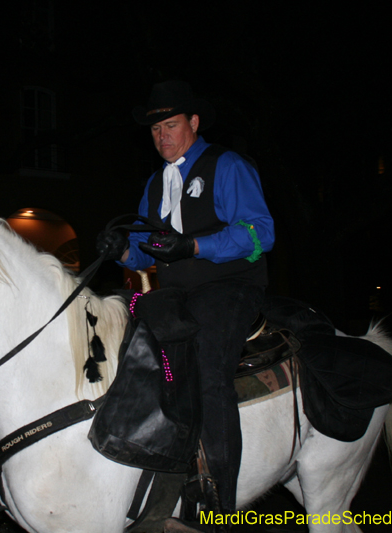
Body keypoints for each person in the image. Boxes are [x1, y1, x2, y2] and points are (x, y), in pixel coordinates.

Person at [97, 80, 274, 532]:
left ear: (193, 123)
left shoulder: (227, 166)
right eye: (156, 129)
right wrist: (121, 250)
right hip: (176, 293)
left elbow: (260, 234)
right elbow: (145, 253)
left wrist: (194, 246)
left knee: (208, 367)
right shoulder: (155, 183)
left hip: (230, 286)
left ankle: (220, 503)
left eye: (171, 126)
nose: (162, 136)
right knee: (126, 348)